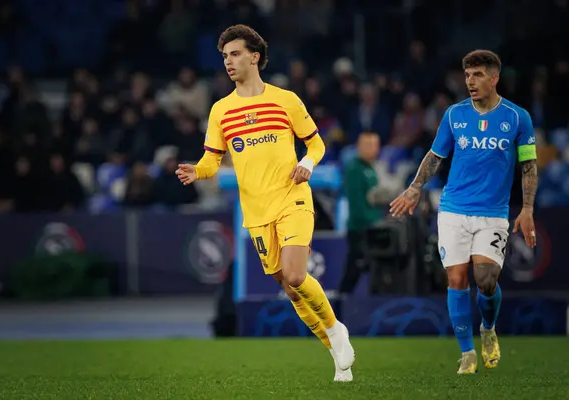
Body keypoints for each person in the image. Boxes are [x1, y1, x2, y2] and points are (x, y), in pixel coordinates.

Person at [176, 25, 355, 382]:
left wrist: (306, 163)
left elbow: (316, 144)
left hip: (293, 198)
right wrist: (198, 170)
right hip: (256, 212)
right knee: (289, 289)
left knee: (295, 274)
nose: (229, 62)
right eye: (225, 56)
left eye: (236, 54)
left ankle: (336, 330)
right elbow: (212, 160)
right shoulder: (220, 110)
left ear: (255, 57)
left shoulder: (285, 99)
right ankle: (335, 351)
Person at [389, 50, 538, 374]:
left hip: (493, 212)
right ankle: (467, 352)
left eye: (478, 75)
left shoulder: (517, 117)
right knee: (456, 279)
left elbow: (529, 165)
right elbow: (435, 156)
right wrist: (415, 187)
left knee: (485, 280)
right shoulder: (454, 115)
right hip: (454, 208)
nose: (470, 81)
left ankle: (487, 328)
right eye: (467, 75)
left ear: (494, 78)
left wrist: (526, 209)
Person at [340, 132, 386, 294]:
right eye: (367, 145)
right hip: (360, 229)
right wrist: (374, 222)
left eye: (374, 145)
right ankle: (340, 304)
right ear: (359, 147)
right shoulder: (354, 169)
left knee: (371, 271)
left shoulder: (371, 168)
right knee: (353, 270)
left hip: (372, 228)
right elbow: (357, 204)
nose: (372, 149)